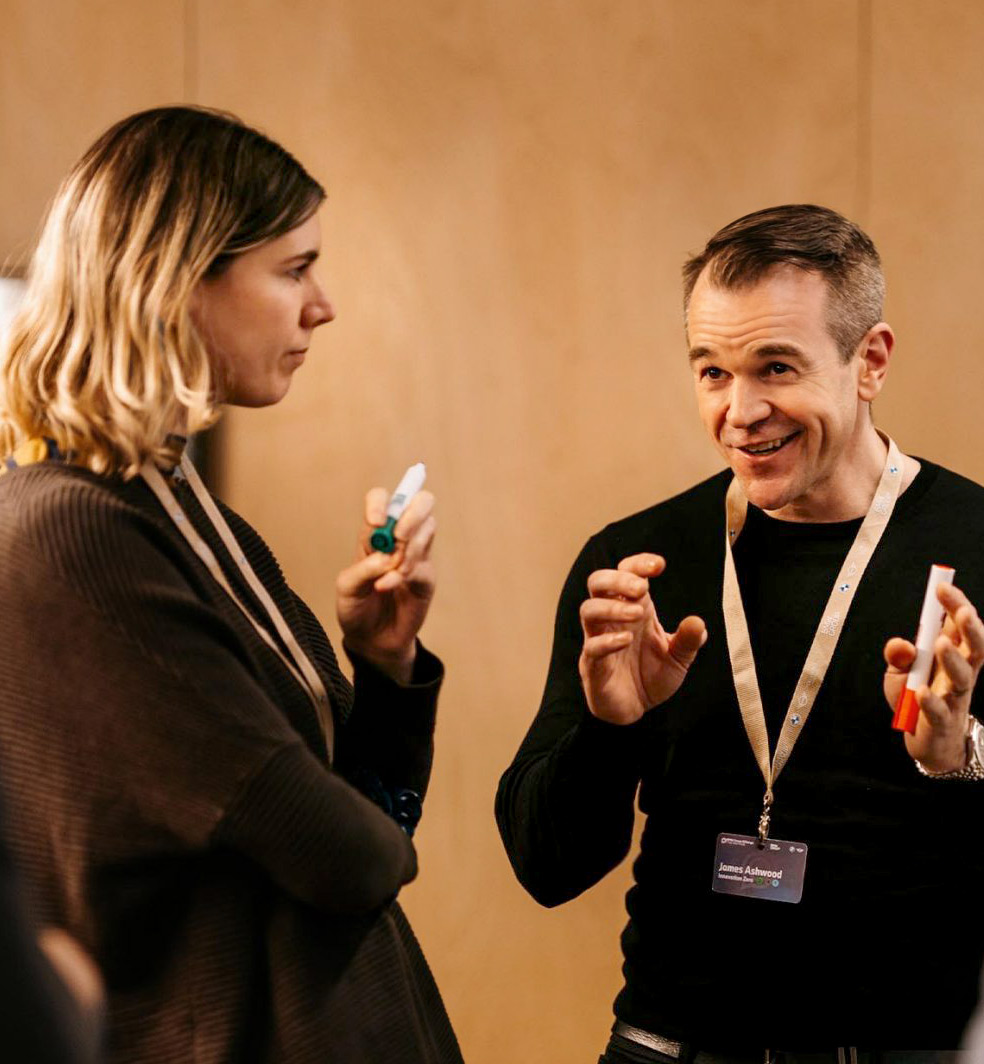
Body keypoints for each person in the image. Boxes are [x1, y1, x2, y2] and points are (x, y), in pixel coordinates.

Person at [0, 106, 462, 1063]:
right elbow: (350, 857)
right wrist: (364, 841)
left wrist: (382, 664)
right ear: (177, 280)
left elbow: (368, 814)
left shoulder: (171, 500)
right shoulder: (76, 532)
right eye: (293, 269)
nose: (321, 305)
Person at [496, 204, 984, 1059]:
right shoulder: (638, 565)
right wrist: (614, 729)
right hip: (673, 1043)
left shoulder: (973, 547)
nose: (740, 411)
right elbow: (547, 867)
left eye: (776, 367)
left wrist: (958, 758)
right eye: (712, 372)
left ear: (869, 361)